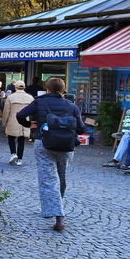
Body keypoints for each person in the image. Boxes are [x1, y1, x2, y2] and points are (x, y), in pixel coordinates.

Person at [16, 78, 85, 232]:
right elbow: (81, 129)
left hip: (44, 144)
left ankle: (58, 216)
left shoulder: (39, 102)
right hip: (66, 146)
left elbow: (20, 115)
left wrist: (30, 125)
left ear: (47, 89)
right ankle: (51, 209)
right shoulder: (71, 106)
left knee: (48, 179)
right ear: (63, 90)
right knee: (60, 178)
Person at [1, 79, 32, 166]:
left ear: (15, 87)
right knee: (21, 140)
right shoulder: (30, 98)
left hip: (12, 120)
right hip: (24, 121)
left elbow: (6, 111)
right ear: (24, 88)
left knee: (11, 137)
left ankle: (13, 153)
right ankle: (20, 159)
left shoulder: (10, 97)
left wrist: (4, 122)